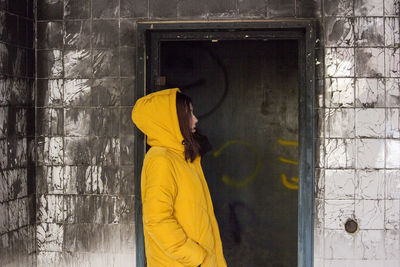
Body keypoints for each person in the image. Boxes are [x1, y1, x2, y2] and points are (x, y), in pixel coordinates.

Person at [132, 88, 227, 267]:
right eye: (189, 113)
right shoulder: (161, 160)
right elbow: (157, 221)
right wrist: (195, 257)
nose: (195, 119)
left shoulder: (182, 158)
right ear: (171, 120)